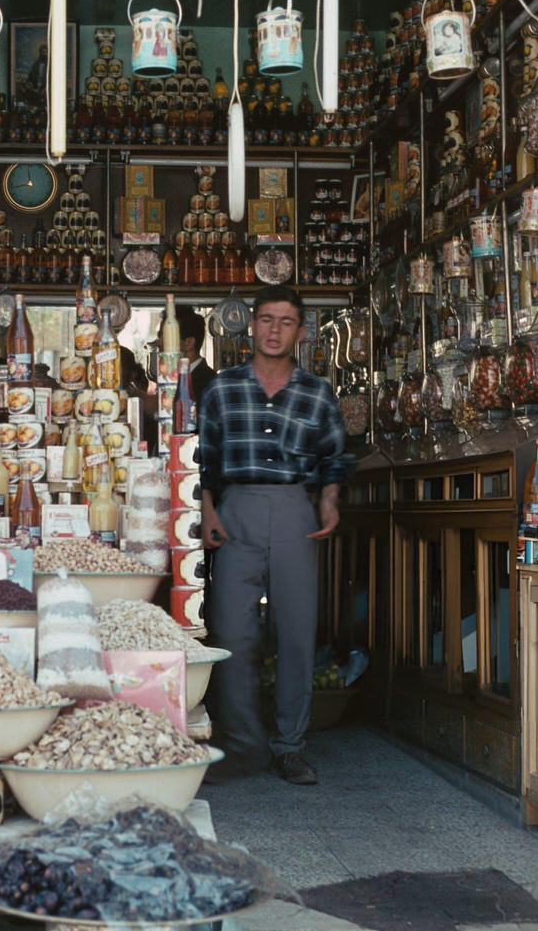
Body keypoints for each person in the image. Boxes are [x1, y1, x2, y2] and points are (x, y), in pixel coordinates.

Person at [198, 285, 353, 786]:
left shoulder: (316, 391)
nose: (274, 330)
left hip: (293, 511)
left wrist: (327, 500)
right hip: (236, 507)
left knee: (295, 632)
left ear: (301, 332)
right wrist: (207, 510)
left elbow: (334, 455)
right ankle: (243, 744)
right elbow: (202, 457)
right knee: (231, 633)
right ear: (251, 326)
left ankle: (289, 746)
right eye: (266, 319)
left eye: (286, 322)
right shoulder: (223, 388)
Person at [177, 306, 216, 406]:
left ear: (189, 343)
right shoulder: (172, 378)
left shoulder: (210, 384)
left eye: (168, 337)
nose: (159, 343)